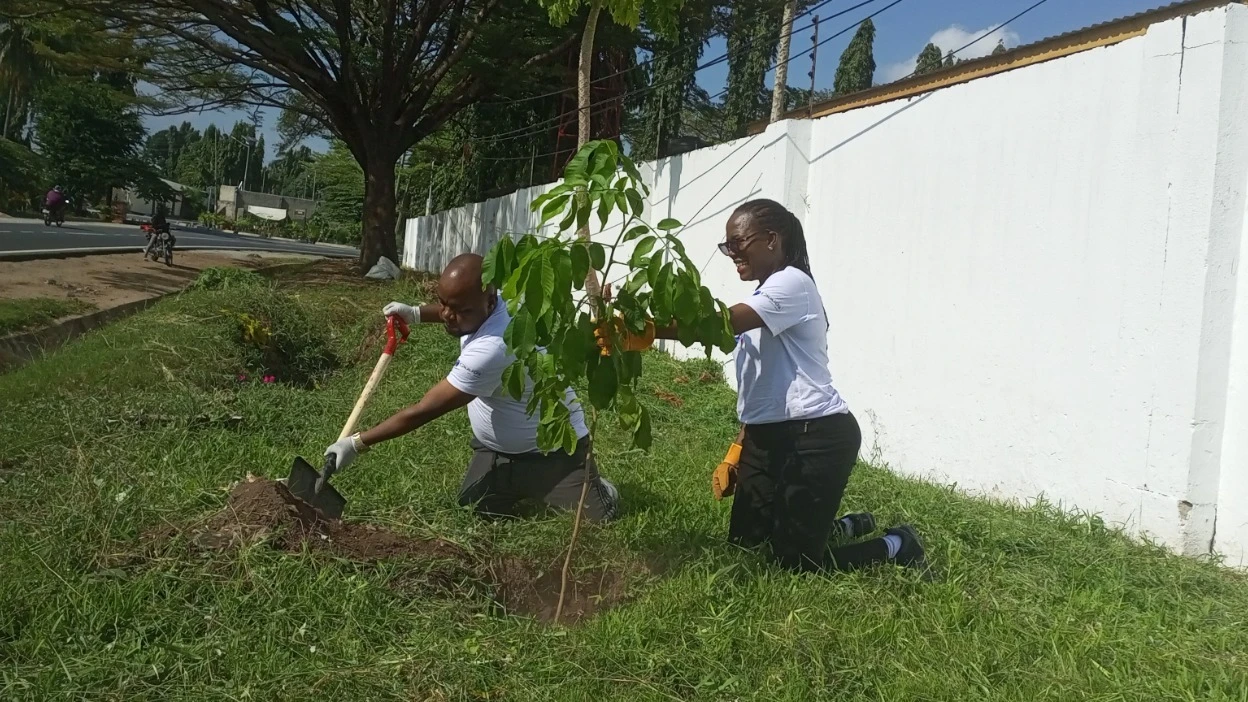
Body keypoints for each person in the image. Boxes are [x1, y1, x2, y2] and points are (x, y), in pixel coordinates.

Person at [623, 198, 925, 573]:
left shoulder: (791, 284)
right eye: (727, 246)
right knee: (746, 546)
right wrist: (740, 446)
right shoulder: (764, 296)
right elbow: (762, 386)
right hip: (766, 438)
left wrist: (649, 328)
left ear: (771, 239)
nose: (732, 253)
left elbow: (723, 324)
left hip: (816, 436)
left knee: (795, 563)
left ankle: (897, 544)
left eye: (738, 243)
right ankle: (839, 526)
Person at [323, 253, 620, 521]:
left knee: (596, 520)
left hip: (553, 454)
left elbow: (425, 410)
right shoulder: (492, 301)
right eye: (442, 303)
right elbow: (453, 307)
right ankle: (511, 480)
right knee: (473, 510)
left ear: (489, 302)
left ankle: (600, 489)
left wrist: (357, 443)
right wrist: (415, 312)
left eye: (459, 310)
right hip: (495, 452)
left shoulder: (493, 347)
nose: (447, 315)